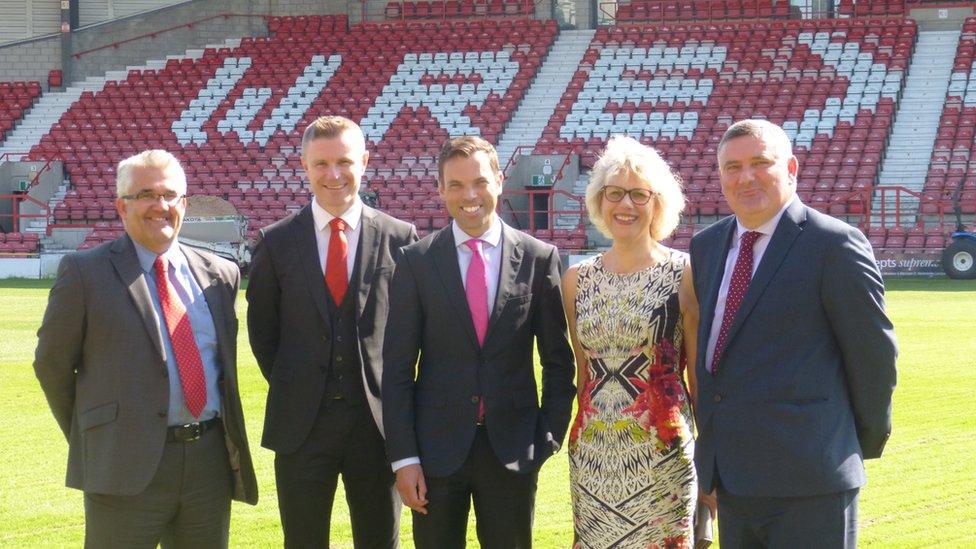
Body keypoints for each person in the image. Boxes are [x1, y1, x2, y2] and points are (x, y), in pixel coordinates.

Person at [34, 149, 258, 548]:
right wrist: (99, 434)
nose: (161, 205)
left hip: (208, 465)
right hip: (123, 465)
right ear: (122, 206)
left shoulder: (220, 275)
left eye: (171, 195)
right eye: (146, 195)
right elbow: (51, 366)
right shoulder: (85, 273)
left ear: (184, 203)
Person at [689, 119, 897, 547]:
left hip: (811, 482)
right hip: (732, 480)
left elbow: (874, 358)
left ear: (791, 167)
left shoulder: (834, 244)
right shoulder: (707, 246)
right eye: (732, 167)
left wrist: (846, 444)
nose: (745, 177)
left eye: (760, 162)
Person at [382, 136, 576, 548]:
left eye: (480, 182)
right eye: (455, 184)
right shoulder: (415, 262)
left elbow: (558, 361)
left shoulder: (540, 258)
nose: (469, 195)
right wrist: (405, 458)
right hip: (435, 453)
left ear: (500, 181)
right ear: (440, 189)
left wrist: (547, 435)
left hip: (513, 449)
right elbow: (397, 370)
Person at [246, 115, 417, 548]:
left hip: (377, 428)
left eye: (343, 161)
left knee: (380, 541)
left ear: (364, 162)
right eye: (321, 164)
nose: (334, 174)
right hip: (301, 427)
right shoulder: (275, 242)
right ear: (303, 165)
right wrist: (301, 384)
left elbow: (412, 335)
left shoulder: (402, 239)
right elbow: (263, 335)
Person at [563, 135, 703, 547]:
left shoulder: (684, 274)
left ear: (658, 203)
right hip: (592, 457)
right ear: (599, 201)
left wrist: (710, 453)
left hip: (662, 452)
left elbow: (696, 373)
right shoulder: (575, 281)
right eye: (615, 193)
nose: (626, 205)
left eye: (639, 195)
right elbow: (583, 374)